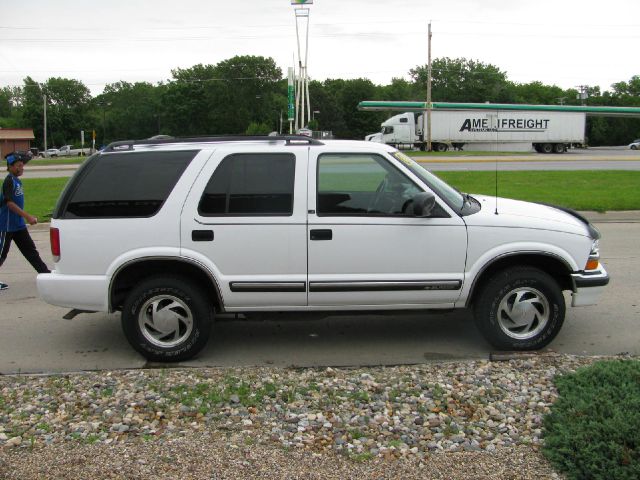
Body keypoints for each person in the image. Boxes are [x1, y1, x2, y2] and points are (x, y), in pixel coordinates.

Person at [0, 152, 50, 290]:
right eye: (18, 166)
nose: (21, 168)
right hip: (7, 225)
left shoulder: (17, 180)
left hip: (18, 226)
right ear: (10, 167)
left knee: (30, 250)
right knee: (1, 254)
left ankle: (45, 274)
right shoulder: (9, 181)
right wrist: (27, 216)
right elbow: (9, 203)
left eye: (22, 165)